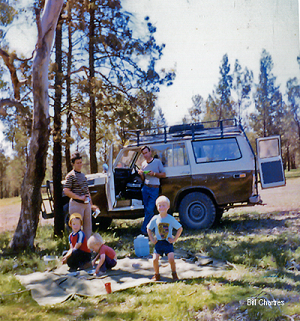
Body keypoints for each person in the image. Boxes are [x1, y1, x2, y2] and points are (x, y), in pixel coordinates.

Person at [147, 195, 183, 281]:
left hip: (167, 242)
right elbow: (148, 228)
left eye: (164, 205)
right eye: (160, 205)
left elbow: (180, 228)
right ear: (157, 207)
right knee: (155, 259)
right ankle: (156, 275)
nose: (162, 207)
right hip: (159, 243)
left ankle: (174, 274)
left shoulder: (170, 219)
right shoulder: (155, 219)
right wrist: (152, 239)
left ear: (168, 207)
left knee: (171, 258)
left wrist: (174, 239)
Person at [63, 152, 98, 239]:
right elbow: (66, 191)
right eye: (77, 163)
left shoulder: (83, 176)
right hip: (76, 204)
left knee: (88, 228)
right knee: (76, 228)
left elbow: (87, 191)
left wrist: (91, 205)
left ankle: (87, 249)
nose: (80, 164)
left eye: (80, 162)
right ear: (73, 164)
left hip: (86, 204)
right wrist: (79, 197)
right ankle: (76, 249)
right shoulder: (71, 176)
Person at [138, 145, 166, 235]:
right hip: (146, 188)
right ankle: (151, 228)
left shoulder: (157, 162)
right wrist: (141, 174)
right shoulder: (143, 164)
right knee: (147, 210)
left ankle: (144, 229)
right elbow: (143, 179)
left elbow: (164, 174)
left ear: (150, 152)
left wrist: (154, 174)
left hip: (154, 188)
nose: (145, 155)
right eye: (143, 154)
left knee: (150, 209)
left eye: (146, 153)